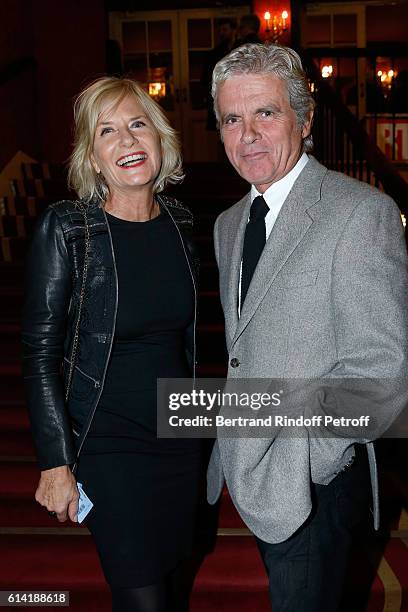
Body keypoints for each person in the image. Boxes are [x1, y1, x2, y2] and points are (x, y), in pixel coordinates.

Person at [206, 43, 408, 611]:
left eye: (265, 113)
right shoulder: (228, 225)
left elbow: (383, 376)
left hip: (320, 482)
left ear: (305, 118)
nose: (247, 134)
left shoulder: (359, 213)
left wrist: (303, 455)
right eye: (232, 119)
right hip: (251, 473)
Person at [22, 76, 205, 612]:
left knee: (171, 587)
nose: (127, 140)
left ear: (160, 140)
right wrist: (56, 462)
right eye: (108, 131)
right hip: (108, 444)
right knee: (142, 595)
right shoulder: (67, 229)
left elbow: (187, 345)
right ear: (94, 158)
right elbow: (38, 355)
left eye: (137, 125)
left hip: (178, 442)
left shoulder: (182, 223)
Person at [201, 18, 237, 130]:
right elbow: (206, 79)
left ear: (233, 30)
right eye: (220, 30)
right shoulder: (214, 54)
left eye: (225, 29)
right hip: (220, 100)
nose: (222, 33)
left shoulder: (240, 49)